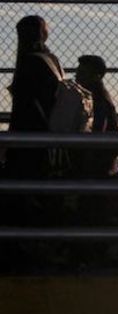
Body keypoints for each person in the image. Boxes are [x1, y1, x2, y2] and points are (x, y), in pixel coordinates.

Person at [7, 16, 62, 190]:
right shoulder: (50, 60)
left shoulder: (28, 61)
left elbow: (24, 106)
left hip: (28, 133)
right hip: (48, 131)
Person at [74, 55, 118, 178]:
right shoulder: (97, 97)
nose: (77, 77)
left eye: (82, 73)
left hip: (96, 164)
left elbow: (97, 131)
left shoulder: (97, 100)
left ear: (96, 76)